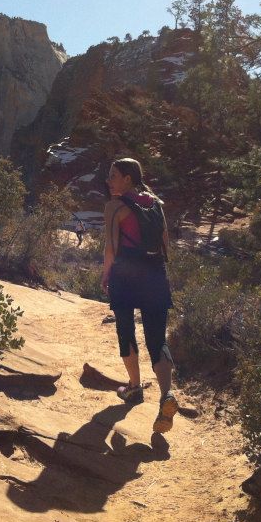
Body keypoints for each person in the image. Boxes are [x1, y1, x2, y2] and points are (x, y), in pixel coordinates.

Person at [101, 157, 179, 433]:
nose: (109, 181)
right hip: (156, 275)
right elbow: (165, 245)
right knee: (157, 338)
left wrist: (106, 275)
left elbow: (111, 247)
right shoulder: (156, 204)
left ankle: (134, 388)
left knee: (126, 331)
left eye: (113, 175)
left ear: (128, 179)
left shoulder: (115, 206)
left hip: (125, 274)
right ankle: (166, 395)